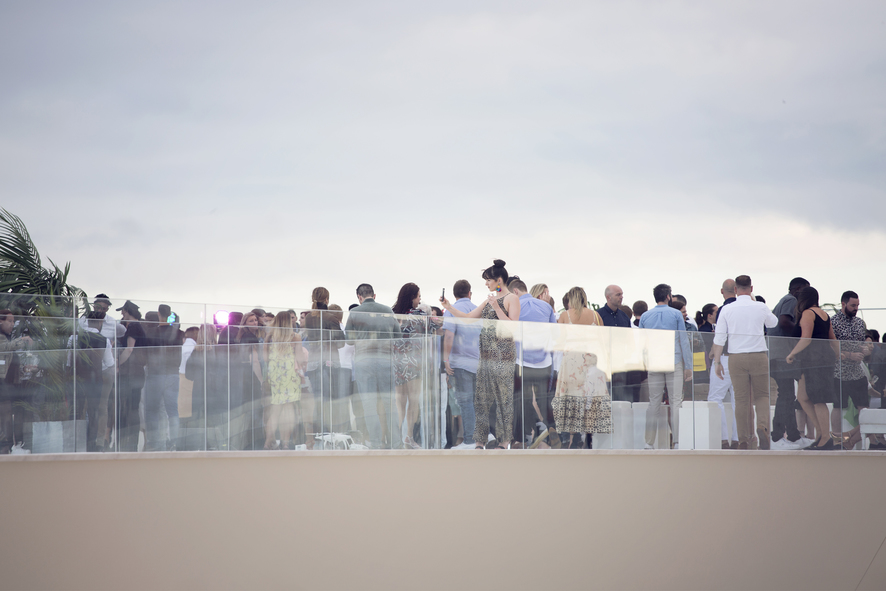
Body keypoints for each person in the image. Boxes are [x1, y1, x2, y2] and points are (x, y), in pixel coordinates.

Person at [440, 260, 520, 449]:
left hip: (503, 354)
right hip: (485, 354)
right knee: (482, 398)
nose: (486, 284)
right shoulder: (488, 299)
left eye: (489, 280)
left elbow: (513, 327)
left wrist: (497, 307)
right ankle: (480, 440)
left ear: (499, 280)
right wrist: (449, 307)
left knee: (503, 398)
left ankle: (504, 441)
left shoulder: (512, 299)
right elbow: (468, 318)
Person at [711, 275, 778, 450]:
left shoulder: (727, 309)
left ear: (735, 290)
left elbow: (719, 338)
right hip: (758, 355)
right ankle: (762, 426)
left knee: (741, 399)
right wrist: (755, 302)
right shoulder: (760, 306)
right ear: (751, 288)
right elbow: (773, 323)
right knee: (762, 395)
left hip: (736, 357)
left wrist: (717, 362)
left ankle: (742, 438)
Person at [345, 283, 402, 448]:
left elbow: (349, 340)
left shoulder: (355, 312)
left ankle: (376, 443)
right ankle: (396, 442)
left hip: (364, 361)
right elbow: (398, 336)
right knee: (389, 404)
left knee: (369, 404)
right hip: (385, 359)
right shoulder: (387, 310)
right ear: (374, 295)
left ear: (359, 297)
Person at [639, 284, 692, 449]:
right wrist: (688, 364)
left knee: (653, 402)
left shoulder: (645, 316)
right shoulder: (676, 314)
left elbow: (641, 342)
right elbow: (683, 340)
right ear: (668, 296)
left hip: (654, 361)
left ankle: (648, 442)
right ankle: (677, 441)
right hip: (673, 360)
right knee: (676, 401)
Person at [785, 287, 839, 450]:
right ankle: (821, 433)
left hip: (814, 360)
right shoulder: (824, 314)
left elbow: (806, 338)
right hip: (817, 359)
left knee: (818, 399)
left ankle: (825, 437)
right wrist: (838, 355)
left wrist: (791, 354)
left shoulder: (808, 313)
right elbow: (832, 339)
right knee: (803, 397)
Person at [508, 277, 558, 448]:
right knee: (544, 400)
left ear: (515, 291)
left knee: (521, 400)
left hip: (522, 361)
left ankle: (522, 437)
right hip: (544, 361)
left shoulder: (514, 306)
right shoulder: (546, 307)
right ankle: (548, 432)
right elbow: (555, 333)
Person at [768, 277, 811, 450]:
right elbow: (784, 322)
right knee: (786, 396)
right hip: (782, 356)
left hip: (779, 355)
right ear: (798, 289)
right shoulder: (791, 300)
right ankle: (777, 436)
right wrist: (802, 332)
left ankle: (793, 436)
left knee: (786, 395)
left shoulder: (784, 301)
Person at [391, 283, 433, 449]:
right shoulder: (418, 315)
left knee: (399, 402)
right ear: (412, 297)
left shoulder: (393, 314)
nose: (419, 300)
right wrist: (428, 311)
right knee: (413, 401)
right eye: (418, 296)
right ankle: (409, 437)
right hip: (414, 362)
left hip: (397, 362)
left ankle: (396, 438)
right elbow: (435, 326)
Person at [831, 290, 873, 449]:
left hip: (857, 372)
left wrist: (866, 350)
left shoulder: (860, 323)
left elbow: (863, 343)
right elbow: (829, 346)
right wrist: (849, 355)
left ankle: (857, 440)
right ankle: (836, 440)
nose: (856, 308)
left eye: (857, 305)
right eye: (853, 305)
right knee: (837, 406)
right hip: (839, 371)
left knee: (864, 408)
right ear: (843, 304)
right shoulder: (833, 322)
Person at [442, 279, 481, 450]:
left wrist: (446, 360)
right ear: (469, 293)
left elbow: (449, 337)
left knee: (466, 403)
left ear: (454, 295)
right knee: (477, 402)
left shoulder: (451, 311)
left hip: (460, 362)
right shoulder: (478, 309)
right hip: (478, 362)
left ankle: (470, 441)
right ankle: (482, 438)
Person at [303, 287, 346, 435]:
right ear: (327, 299)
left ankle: (319, 432)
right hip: (329, 362)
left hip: (313, 363)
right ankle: (329, 432)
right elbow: (341, 342)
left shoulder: (309, 318)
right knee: (330, 399)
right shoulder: (330, 318)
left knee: (318, 399)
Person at [264, 312, 307, 450]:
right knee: (288, 409)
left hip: (275, 373)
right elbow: (300, 358)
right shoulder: (295, 337)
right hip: (290, 373)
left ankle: (268, 441)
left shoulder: (269, 337)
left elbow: (265, 358)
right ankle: (286, 443)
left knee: (275, 409)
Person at [143, 304, 183, 451]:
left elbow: (147, 353)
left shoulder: (151, 332)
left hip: (156, 373)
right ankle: (174, 442)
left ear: (159, 314)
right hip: (173, 373)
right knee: (172, 410)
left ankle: (154, 442)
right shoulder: (178, 333)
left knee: (152, 410)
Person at [709, 279, 739, 449]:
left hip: (725, 357)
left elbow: (720, 335)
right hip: (741, 358)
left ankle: (722, 438)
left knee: (715, 398)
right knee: (738, 400)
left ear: (722, 291)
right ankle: (738, 438)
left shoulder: (724, 309)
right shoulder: (744, 308)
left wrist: (715, 356)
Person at [0, 310, 32, 452]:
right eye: (10, 321)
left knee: (9, 412)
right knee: (6, 413)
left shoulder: (6, 337)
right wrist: (22, 340)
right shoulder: (2, 338)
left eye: (13, 321)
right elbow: (5, 348)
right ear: (1, 321)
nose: (12, 324)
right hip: (3, 383)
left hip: (8, 383)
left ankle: (9, 445)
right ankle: (5, 445)